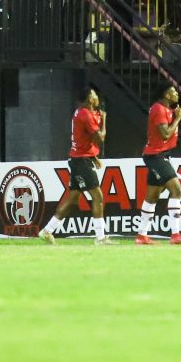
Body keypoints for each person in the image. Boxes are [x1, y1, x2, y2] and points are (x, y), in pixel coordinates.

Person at [38, 87, 112, 245]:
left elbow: (84, 140)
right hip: (81, 161)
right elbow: (100, 137)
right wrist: (104, 120)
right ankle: (100, 238)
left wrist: (94, 156)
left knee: (72, 199)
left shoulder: (82, 112)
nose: (96, 97)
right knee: (98, 197)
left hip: (80, 159)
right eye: (94, 94)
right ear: (89, 99)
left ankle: (47, 231)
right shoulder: (85, 114)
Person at [136, 84, 181, 245]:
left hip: (160, 155)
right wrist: (178, 118)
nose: (176, 93)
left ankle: (141, 235)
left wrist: (175, 116)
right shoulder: (159, 109)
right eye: (173, 91)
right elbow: (165, 134)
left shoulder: (166, 110)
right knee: (176, 190)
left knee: (152, 196)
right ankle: (175, 234)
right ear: (166, 95)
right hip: (156, 156)